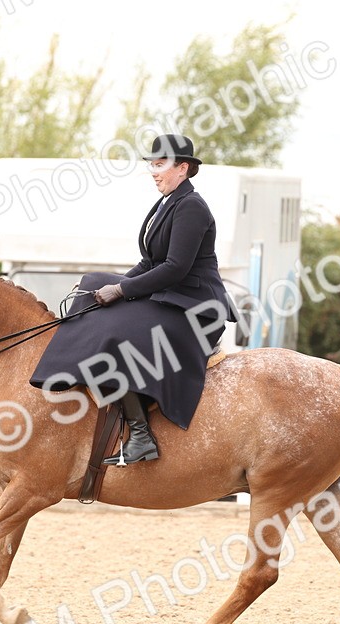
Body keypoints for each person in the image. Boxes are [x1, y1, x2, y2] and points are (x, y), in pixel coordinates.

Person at [30, 134, 235, 465]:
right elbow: (149, 263)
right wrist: (113, 284)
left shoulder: (192, 207)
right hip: (171, 297)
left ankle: (140, 435)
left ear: (183, 168)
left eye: (160, 165)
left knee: (114, 332)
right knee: (93, 282)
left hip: (195, 309)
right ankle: (67, 373)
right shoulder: (167, 203)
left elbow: (174, 268)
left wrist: (123, 291)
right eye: (151, 165)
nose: (154, 172)